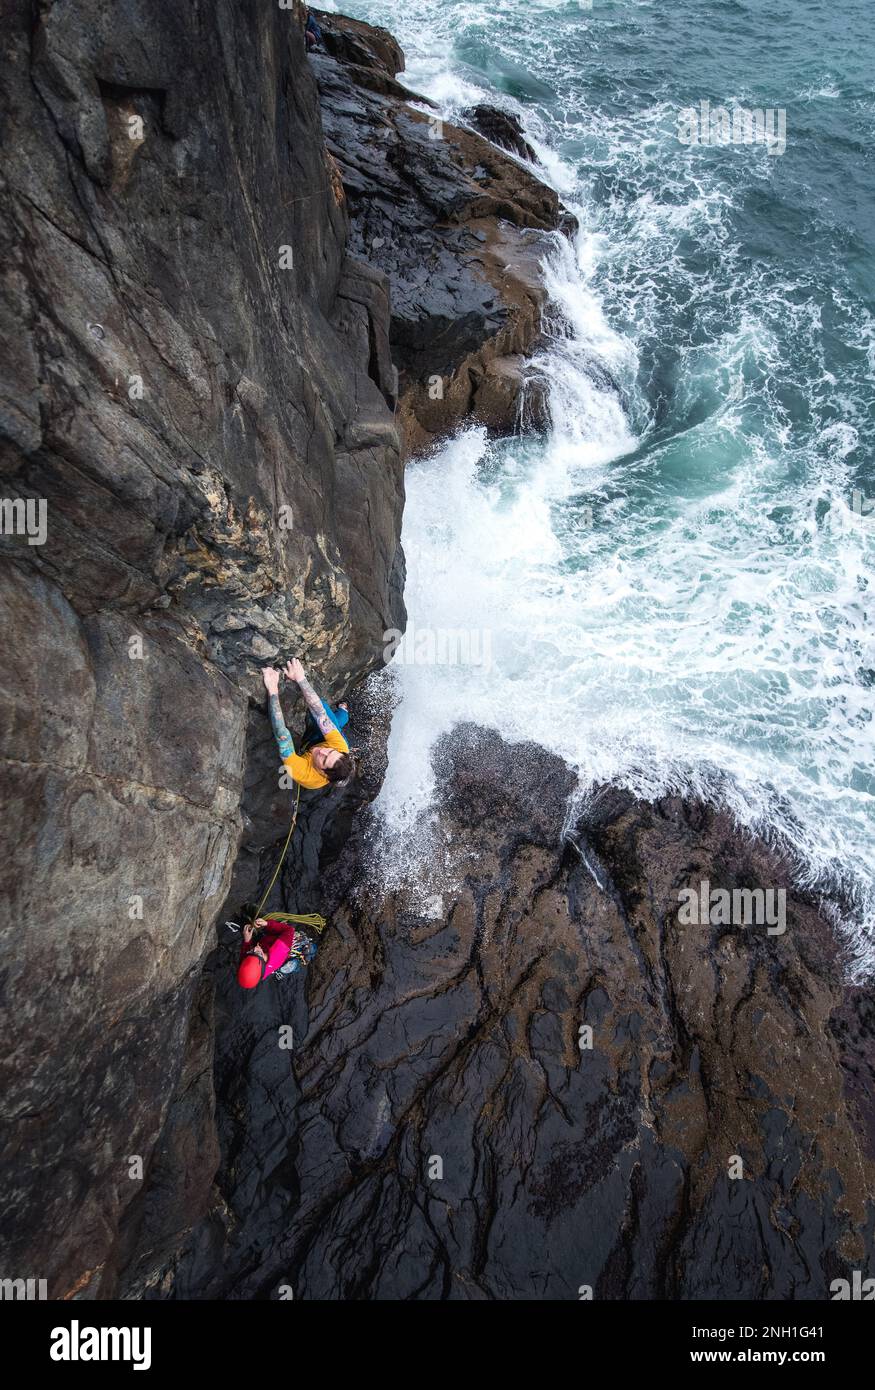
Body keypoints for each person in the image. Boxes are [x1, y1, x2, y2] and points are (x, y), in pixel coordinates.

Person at [262, 658, 353, 789]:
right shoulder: (339, 747)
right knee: (324, 713)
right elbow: (319, 712)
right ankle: (344, 713)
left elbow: (282, 734)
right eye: (330, 751)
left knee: (332, 723)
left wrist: (273, 690)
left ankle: (343, 715)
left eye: (324, 759)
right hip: (327, 739)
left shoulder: (304, 774)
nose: (323, 751)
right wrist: (300, 677)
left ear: (323, 773)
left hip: (312, 742)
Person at [237, 917, 308, 989]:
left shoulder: (255, 971)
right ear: (262, 957)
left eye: (251, 951)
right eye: (257, 952)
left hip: (266, 943)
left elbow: (245, 957)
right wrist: (267, 924)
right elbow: (289, 930)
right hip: (276, 940)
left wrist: (247, 941)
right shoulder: (279, 948)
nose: (255, 948)